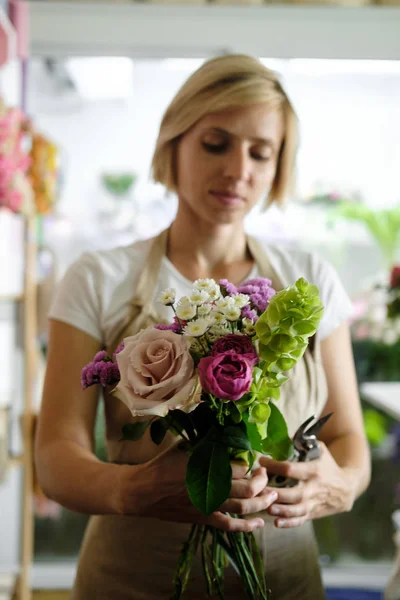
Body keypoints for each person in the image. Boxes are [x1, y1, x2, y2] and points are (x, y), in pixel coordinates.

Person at [35, 54, 371, 600]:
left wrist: (342, 485)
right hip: (131, 582)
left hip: (283, 583)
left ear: (279, 165)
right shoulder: (98, 278)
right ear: (174, 142)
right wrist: (134, 489)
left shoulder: (308, 281)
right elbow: (55, 457)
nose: (239, 169)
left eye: (261, 152)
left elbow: (349, 441)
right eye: (216, 143)